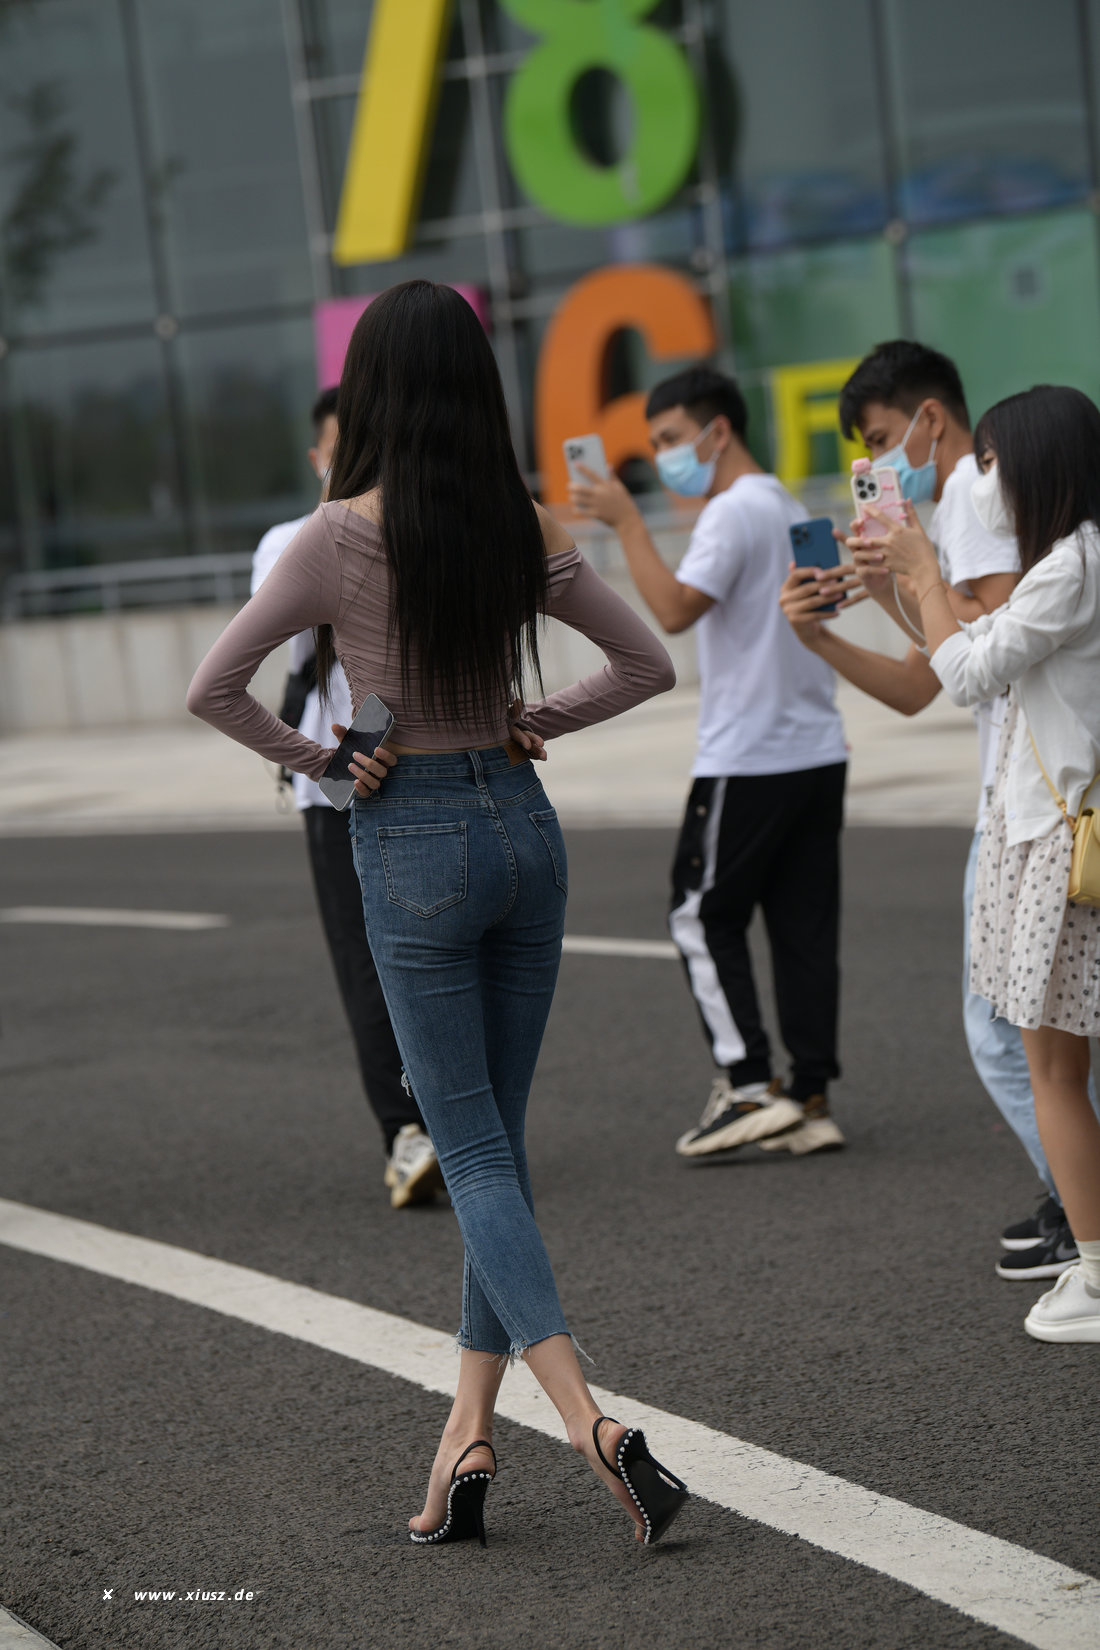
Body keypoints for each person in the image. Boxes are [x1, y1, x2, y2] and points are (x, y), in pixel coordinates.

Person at [188, 279, 689, 1543]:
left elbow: (215, 686)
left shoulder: (332, 536)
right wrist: (534, 720)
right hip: (523, 830)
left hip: (409, 839)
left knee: (467, 1152)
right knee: (490, 1148)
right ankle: (464, 1442)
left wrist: (323, 762)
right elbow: (646, 663)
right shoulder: (517, 523)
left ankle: (589, 1424)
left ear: (368, 395)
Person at [781, 340, 1092, 1281]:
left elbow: (969, 662)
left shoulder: (1001, 521)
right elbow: (941, 671)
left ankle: (1085, 1228)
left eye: (882, 440)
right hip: (1025, 806)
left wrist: (915, 575)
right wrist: (875, 601)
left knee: (1018, 1041)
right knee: (1039, 1040)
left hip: (1041, 816)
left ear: (930, 418)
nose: (880, 462)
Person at [851, 384, 1100, 1343]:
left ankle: (1095, 1270)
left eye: (990, 463)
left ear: (1038, 463)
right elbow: (972, 647)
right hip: (1047, 835)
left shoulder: (1069, 568)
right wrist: (906, 580)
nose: (980, 480)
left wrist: (922, 570)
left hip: (1056, 845)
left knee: (1053, 1069)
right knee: (1057, 1061)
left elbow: (962, 675)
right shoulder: (1069, 564)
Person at [570, 366, 848, 1159]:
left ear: (717, 431)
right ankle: (809, 1097)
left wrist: (626, 522)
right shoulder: (789, 505)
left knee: (699, 915)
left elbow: (672, 611)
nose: (663, 457)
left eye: (670, 439)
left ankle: (749, 1083)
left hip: (748, 754)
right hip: (816, 749)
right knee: (802, 928)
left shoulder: (730, 511)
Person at [251, 386, 442, 1211]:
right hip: (336, 781)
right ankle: (405, 1131)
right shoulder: (290, 541)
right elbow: (287, 641)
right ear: (318, 458)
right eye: (343, 448)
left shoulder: (420, 532)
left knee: (439, 951)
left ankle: (453, 1113)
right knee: (365, 962)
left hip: (424, 766)